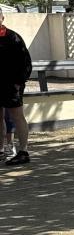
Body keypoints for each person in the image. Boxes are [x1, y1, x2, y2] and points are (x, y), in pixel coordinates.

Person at [0, 11, 33, 167]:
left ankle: (23, 151)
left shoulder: (13, 38)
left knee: (17, 116)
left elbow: (25, 62)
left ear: (2, 18)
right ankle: (1, 150)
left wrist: (19, 82)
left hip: (12, 85)